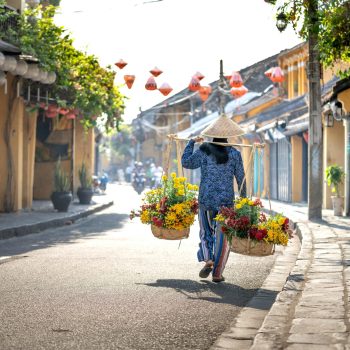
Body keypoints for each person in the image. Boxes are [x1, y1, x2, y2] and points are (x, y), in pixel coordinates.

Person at [181, 136, 246, 283]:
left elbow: (186, 162)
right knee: (223, 237)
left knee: (205, 232)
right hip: (226, 203)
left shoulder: (204, 150)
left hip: (206, 199)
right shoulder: (235, 154)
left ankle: (208, 258)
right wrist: (244, 199)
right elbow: (241, 177)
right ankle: (217, 273)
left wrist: (191, 142)